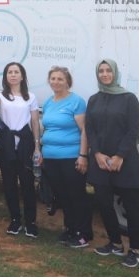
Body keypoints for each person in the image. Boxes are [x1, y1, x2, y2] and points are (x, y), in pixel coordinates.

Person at [86, 59, 139, 268]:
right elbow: (90, 129)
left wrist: (120, 156)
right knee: (103, 203)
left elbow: (133, 130)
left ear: (115, 73)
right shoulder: (94, 99)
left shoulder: (128, 99)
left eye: (108, 70)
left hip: (125, 161)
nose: (104, 74)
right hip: (100, 161)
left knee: (132, 207)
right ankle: (115, 243)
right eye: (101, 71)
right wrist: (97, 154)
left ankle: (135, 250)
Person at [0, 61, 42, 238]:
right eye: (9, 72)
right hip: (6, 143)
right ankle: (15, 220)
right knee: (9, 184)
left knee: (27, 184)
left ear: (22, 76)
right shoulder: (0, 95)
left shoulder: (30, 97)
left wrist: (37, 146)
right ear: (6, 76)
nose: (13, 74)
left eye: (16, 72)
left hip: (25, 143)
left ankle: (31, 222)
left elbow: (34, 122)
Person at [41, 66, 92, 249]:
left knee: (76, 195)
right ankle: (70, 229)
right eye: (53, 78)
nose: (56, 82)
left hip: (71, 157)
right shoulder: (48, 102)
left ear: (67, 81)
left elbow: (84, 130)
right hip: (51, 158)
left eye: (60, 79)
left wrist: (83, 155)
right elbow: (46, 128)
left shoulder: (76, 102)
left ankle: (83, 233)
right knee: (62, 196)